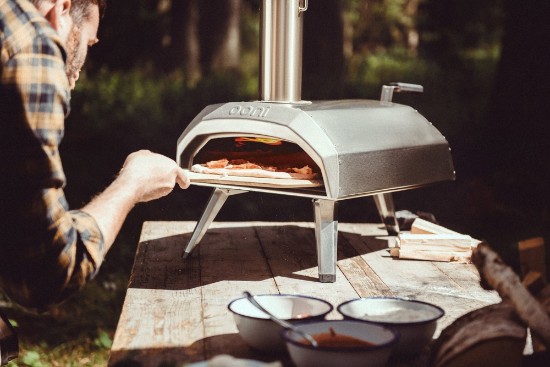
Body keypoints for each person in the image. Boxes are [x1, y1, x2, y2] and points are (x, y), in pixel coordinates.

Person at [0, 0, 190, 311]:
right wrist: (133, 183)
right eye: (88, 42)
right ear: (61, 9)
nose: (74, 76)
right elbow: (44, 275)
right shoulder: (32, 43)